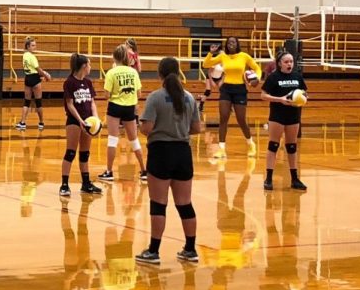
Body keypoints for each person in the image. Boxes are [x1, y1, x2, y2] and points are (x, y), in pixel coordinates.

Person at [135, 57, 203, 265]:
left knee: (158, 205)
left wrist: (141, 124)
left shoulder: (155, 98)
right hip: (183, 152)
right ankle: (190, 249)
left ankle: (154, 251)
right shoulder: (189, 98)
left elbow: (146, 129)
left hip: (161, 152)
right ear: (179, 72)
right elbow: (196, 129)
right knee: (185, 204)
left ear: (160, 74)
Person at [203, 37, 262, 158]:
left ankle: (250, 143)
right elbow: (206, 64)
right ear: (226, 45)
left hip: (240, 89)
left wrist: (257, 78)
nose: (231, 44)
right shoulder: (223, 56)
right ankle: (221, 149)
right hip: (226, 89)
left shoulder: (244, 56)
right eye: (229, 42)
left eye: (233, 42)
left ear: (237, 44)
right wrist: (211, 53)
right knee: (223, 118)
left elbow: (257, 68)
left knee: (241, 120)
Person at [260, 51, 308, 191]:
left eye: (291, 62)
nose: (289, 64)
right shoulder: (273, 77)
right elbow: (263, 95)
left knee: (292, 147)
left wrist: (302, 99)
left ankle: (295, 179)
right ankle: (268, 178)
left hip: (293, 115)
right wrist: (280, 100)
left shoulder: (297, 76)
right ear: (279, 63)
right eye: (286, 62)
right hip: (277, 115)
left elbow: (305, 93)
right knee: (273, 145)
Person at [98, 45, 146, 183]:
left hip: (115, 107)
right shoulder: (133, 72)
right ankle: (143, 171)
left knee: (112, 140)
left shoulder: (111, 73)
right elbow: (139, 93)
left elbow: (107, 95)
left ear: (114, 57)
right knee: (134, 140)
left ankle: (109, 172)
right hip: (130, 108)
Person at [61, 54, 102, 196]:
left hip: (88, 121)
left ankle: (86, 183)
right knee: (70, 152)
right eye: (89, 64)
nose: (91, 67)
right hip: (74, 121)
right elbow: (70, 104)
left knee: (85, 154)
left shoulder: (88, 82)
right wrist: (80, 120)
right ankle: (64, 185)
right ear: (84, 66)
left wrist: (95, 118)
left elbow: (92, 102)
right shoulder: (69, 82)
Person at [17, 37, 51, 131]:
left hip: (28, 78)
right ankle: (41, 123)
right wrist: (46, 75)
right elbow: (38, 69)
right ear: (28, 46)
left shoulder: (24, 55)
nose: (34, 47)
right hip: (35, 79)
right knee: (38, 102)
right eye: (32, 45)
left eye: (35, 45)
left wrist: (42, 75)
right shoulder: (32, 57)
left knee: (26, 102)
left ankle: (22, 122)